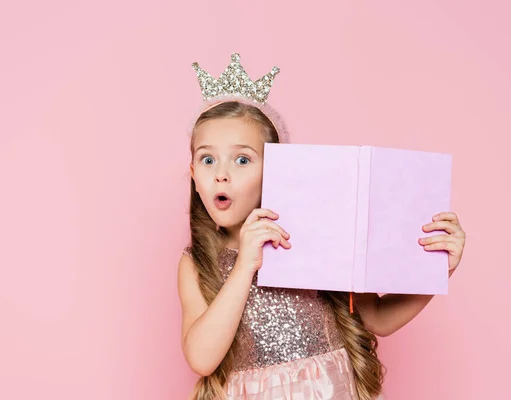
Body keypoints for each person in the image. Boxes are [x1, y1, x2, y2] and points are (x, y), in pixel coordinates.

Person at [177, 54, 466, 400]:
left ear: (277, 169)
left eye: (242, 159)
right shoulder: (197, 263)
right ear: (194, 175)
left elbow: (378, 317)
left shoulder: (310, 235)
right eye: (208, 159)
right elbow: (201, 358)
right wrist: (244, 267)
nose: (221, 173)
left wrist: (436, 271)